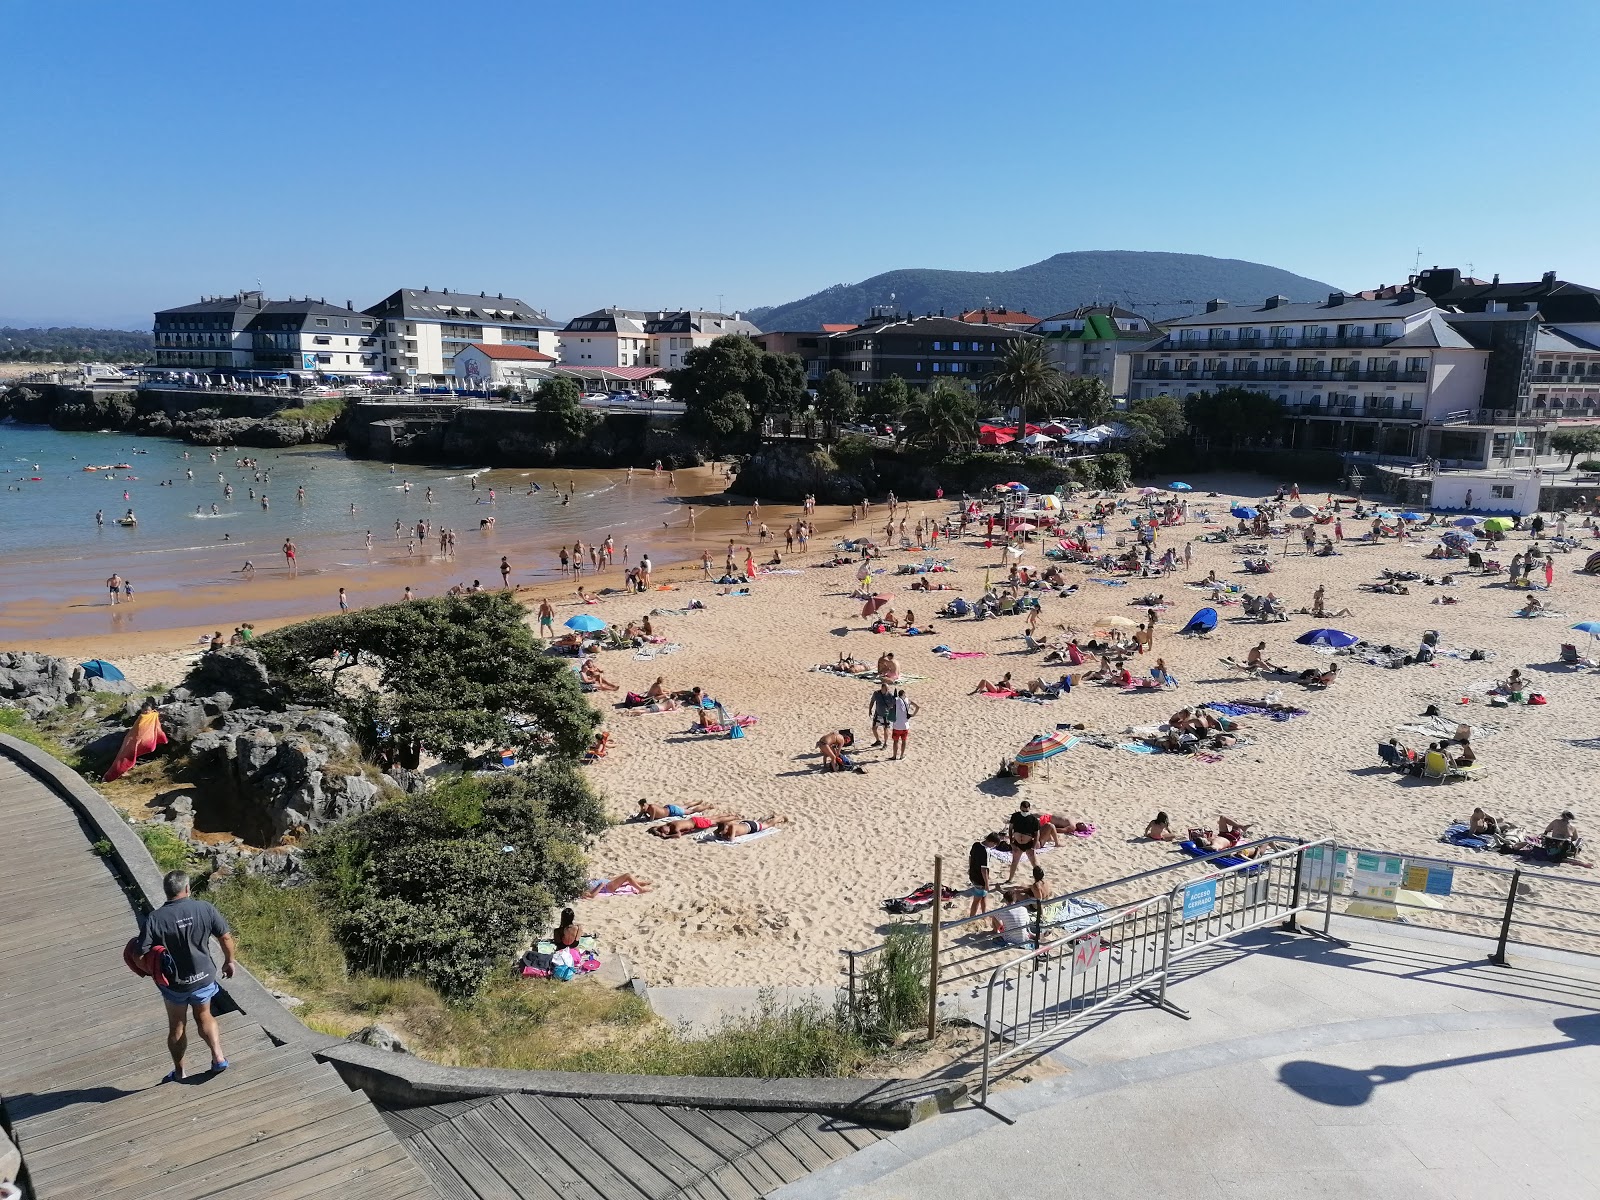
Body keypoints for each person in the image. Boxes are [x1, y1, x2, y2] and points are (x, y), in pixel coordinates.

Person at [138, 870, 237, 1081]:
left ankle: (180, 1072)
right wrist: (229, 961)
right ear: (187, 889)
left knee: (177, 1025)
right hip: (203, 977)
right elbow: (225, 937)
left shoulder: (155, 919)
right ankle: (218, 1056)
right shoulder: (204, 908)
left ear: (166, 892)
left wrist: (150, 971)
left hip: (175, 984)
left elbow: (139, 953)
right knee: (204, 1016)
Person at [1006, 804, 1041, 882]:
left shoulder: (1033, 819)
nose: (1024, 812)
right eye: (1023, 810)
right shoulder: (1015, 816)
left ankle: (1038, 879)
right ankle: (1010, 879)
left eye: (1026, 811)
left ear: (1029, 809)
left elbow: (1037, 834)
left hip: (1028, 844)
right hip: (1017, 844)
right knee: (1014, 862)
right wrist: (1011, 842)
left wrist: (1033, 847)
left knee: (1035, 863)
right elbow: (1010, 828)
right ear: (1020, 808)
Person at [967, 832, 998, 917]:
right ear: (992, 842)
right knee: (977, 899)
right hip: (980, 879)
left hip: (973, 874)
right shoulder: (986, 851)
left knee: (984, 896)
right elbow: (983, 869)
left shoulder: (975, 845)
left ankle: (984, 914)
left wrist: (970, 869)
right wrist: (987, 883)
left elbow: (970, 858)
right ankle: (971, 917)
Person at [890, 689, 919, 760]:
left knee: (895, 741)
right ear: (904, 695)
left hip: (897, 725)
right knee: (904, 741)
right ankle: (901, 756)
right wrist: (912, 715)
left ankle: (894, 756)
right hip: (905, 725)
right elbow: (917, 707)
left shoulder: (896, 700)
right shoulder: (907, 700)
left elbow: (890, 705)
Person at [713, 814, 788, 840]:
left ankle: (781, 816)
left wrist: (724, 836)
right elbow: (715, 833)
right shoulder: (728, 826)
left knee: (768, 825)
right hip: (745, 823)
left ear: (726, 828)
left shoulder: (732, 827)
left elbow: (732, 839)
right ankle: (770, 816)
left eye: (723, 831)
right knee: (760, 822)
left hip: (752, 827)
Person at [868, 681, 895, 748]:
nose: (887, 690)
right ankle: (878, 741)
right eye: (886, 689)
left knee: (885, 729)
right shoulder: (876, 693)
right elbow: (872, 701)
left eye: (888, 689)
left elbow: (894, 705)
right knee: (874, 728)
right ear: (882, 688)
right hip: (877, 714)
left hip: (885, 715)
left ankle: (885, 743)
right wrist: (870, 710)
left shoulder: (890, 696)